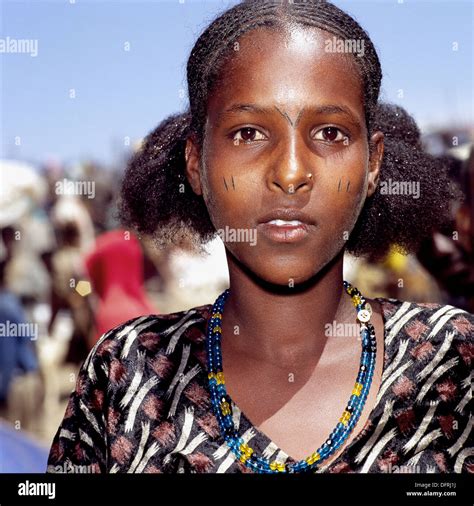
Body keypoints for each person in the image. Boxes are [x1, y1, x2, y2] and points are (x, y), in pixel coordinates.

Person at [47, 0, 473, 474]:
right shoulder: (128, 373)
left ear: (372, 164)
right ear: (196, 163)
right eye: (248, 133)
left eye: (330, 133)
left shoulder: (451, 361)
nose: (290, 173)